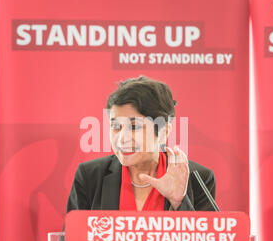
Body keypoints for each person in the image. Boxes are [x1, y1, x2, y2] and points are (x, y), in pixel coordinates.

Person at [66, 76, 217, 213]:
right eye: (116, 126)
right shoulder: (90, 175)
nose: (122, 139)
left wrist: (179, 203)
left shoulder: (197, 178)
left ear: (164, 132)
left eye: (134, 127)